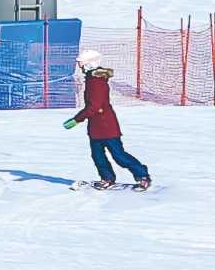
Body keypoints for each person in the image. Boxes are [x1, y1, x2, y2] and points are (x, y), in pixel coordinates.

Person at [63, 55, 150, 189]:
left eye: (81, 63)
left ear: (89, 63)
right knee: (98, 156)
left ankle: (142, 175)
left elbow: (94, 106)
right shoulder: (91, 79)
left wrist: (76, 119)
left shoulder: (96, 81)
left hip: (106, 125)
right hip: (95, 126)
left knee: (119, 156)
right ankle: (107, 178)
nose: (79, 66)